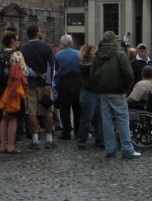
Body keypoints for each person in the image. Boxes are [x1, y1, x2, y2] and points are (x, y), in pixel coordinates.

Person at [90, 31, 140, 159]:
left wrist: (98, 86)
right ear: (113, 40)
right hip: (118, 91)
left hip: (103, 92)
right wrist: (127, 88)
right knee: (123, 120)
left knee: (106, 121)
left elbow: (92, 74)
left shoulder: (97, 55)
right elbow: (128, 73)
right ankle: (127, 149)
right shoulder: (120, 54)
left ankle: (110, 149)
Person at [19, 24, 56, 150]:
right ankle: (49, 139)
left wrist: (36, 74)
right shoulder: (47, 47)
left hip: (30, 84)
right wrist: (48, 82)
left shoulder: (23, 48)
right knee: (48, 111)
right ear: (37, 32)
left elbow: (24, 68)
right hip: (44, 85)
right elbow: (51, 66)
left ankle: (35, 140)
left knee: (31, 112)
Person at [0, 30, 28, 154]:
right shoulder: (17, 54)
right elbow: (24, 73)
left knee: (4, 117)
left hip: (1, 89)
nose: (19, 41)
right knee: (13, 118)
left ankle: (3, 145)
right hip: (13, 89)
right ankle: (11, 146)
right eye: (18, 39)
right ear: (12, 41)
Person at [75, 44, 103, 151]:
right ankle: (81, 141)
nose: (95, 53)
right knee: (87, 118)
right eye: (92, 51)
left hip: (96, 92)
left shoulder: (94, 63)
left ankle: (100, 140)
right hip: (89, 93)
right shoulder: (85, 64)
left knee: (99, 119)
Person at [54, 34, 81, 140]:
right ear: (70, 43)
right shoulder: (79, 54)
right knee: (77, 109)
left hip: (64, 82)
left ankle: (66, 132)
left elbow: (56, 70)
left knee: (64, 109)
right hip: (77, 82)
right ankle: (78, 132)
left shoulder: (58, 55)